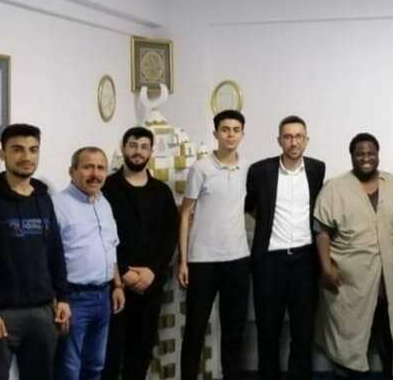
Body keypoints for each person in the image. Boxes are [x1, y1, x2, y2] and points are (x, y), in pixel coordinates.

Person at [0, 123, 71, 380]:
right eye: (17, 149)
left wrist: (63, 296)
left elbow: (55, 252)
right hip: (0, 316)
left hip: (43, 314)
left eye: (33, 149)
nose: (26, 156)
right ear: (3, 154)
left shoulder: (43, 199)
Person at [313, 133, 393, 379]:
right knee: (349, 339)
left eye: (370, 153)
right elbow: (322, 231)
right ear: (351, 156)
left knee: (390, 336)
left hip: (389, 282)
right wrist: (326, 268)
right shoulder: (334, 188)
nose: (365, 158)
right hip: (349, 284)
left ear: (378, 155)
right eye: (359, 153)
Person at [245, 116, 326, 380]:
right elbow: (250, 207)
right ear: (279, 140)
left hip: (305, 261)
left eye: (298, 136)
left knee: (303, 332)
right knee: (268, 330)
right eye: (288, 137)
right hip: (270, 262)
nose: (293, 142)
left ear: (306, 140)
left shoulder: (317, 169)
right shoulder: (260, 171)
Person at [101, 127, 180, 380]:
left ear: (151, 152)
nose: (138, 151)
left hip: (150, 284)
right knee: (110, 353)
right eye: (133, 145)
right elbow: (102, 234)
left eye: (144, 147)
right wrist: (123, 272)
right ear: (123, 148)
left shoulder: (161, 191)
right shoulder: (107, 188)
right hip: (116, 285)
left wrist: (153, 271)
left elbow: (170, 235)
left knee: (141, 351)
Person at [178, 110, 250, 380]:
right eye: (225, 129)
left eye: (235, 130)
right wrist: (184, 261)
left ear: (242, 134)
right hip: (203, 261)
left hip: (238, 259)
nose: (230, 135)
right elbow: (185, 214)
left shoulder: (248, 170)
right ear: (215, 134)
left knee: (234, 331)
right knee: (195, 329)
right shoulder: (201, 169)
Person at [52, 147, 126, 380]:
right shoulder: (57, 205)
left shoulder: (104, 203)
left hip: (103, 297)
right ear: (72, 171)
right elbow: (48, 258)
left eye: (100, 168)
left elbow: (111, 248)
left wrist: (117, 285)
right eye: (88, 167)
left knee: (95, 366)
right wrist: (58, 300)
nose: (95, 174)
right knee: (69, 369)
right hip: (73, 299)